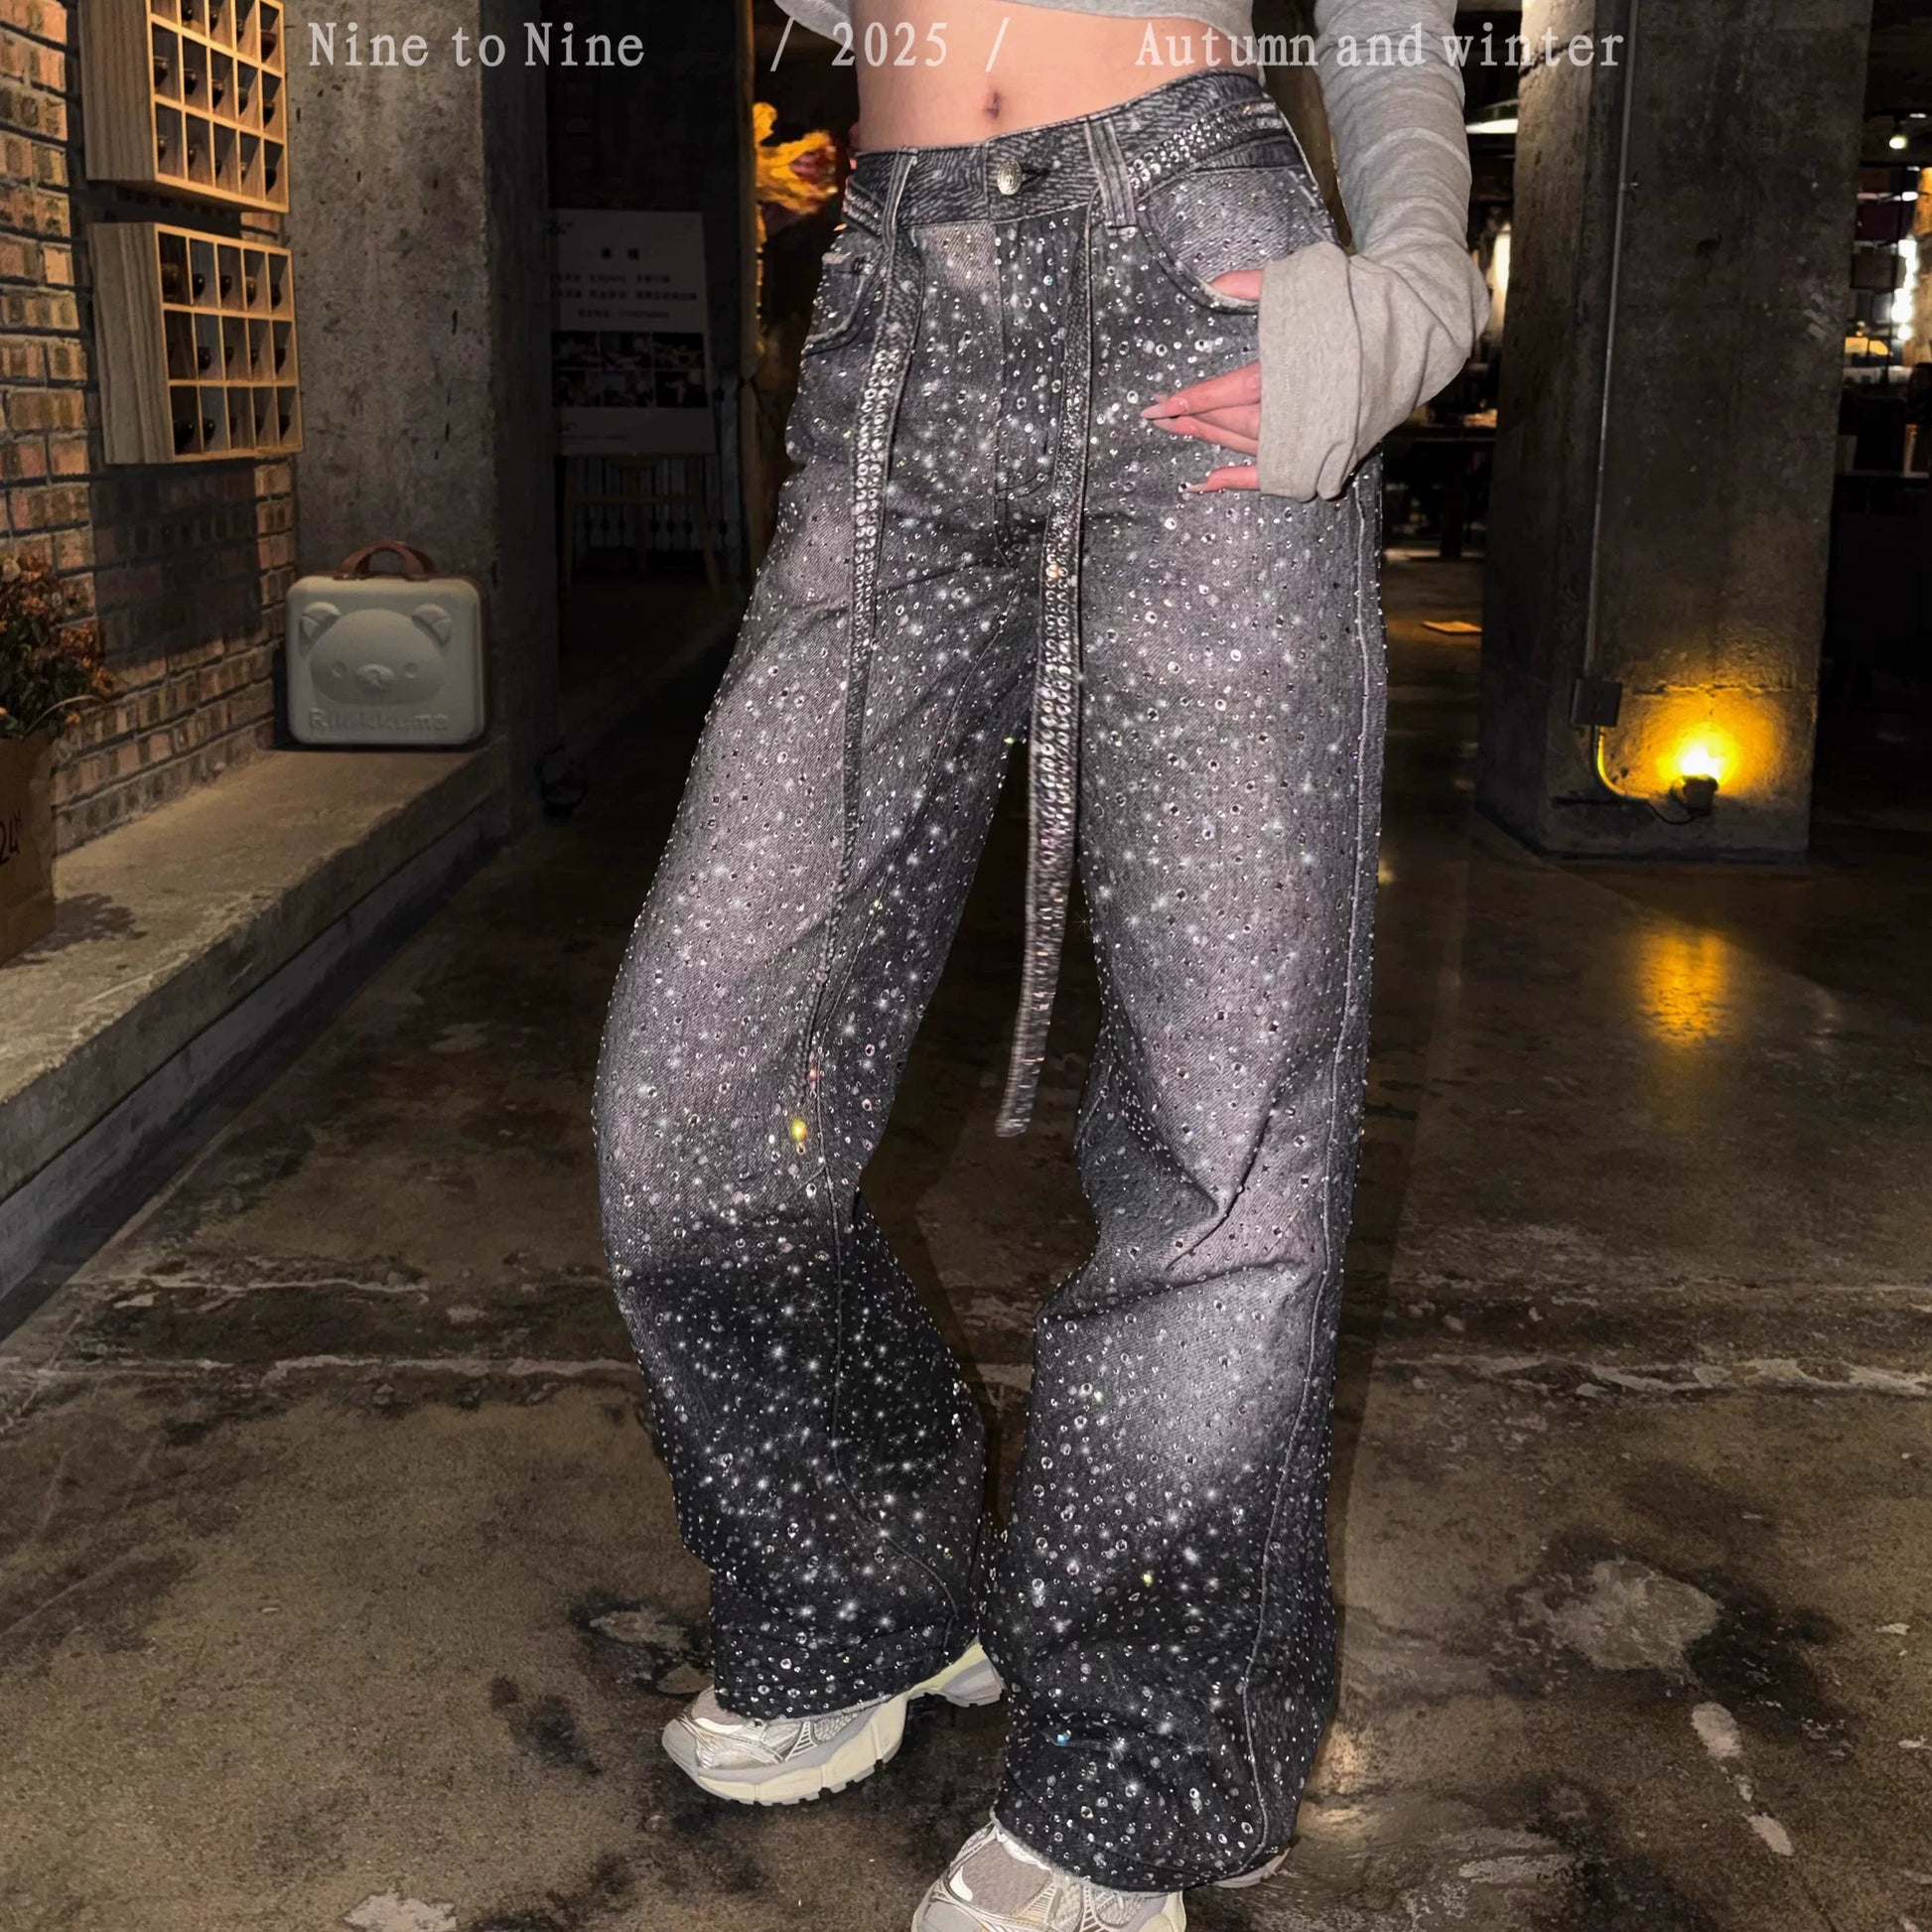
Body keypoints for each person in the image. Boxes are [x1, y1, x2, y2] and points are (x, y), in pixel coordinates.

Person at [594, 2, 1485, 1925]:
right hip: (895, 308)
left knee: (1219, 1120)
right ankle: (862, 1590)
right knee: (698, 1090)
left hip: (1190, 276)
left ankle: (1150, 1755)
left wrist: (1419, 285)